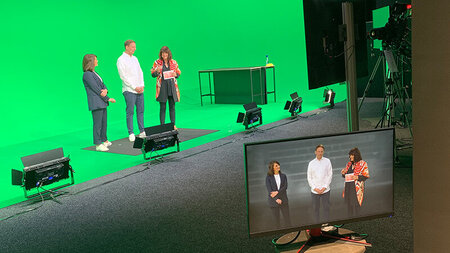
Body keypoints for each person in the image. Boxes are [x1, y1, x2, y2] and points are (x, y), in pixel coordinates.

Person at [82, 54, 116, 151]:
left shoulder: (94, 73)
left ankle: (104, 140)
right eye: (96, 60)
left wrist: (105, 90)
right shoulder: (87, 74)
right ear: (91, 62)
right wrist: (108, 98)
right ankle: (98, 144)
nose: (97, 61)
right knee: (97, 124)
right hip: (96, 102)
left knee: (104, 122)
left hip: (101, 102)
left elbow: (102, 85)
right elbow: (96, 89)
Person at [117, 40, 145, 141]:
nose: (134, 49)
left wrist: (142, 85)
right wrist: (134, 87)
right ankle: (131, 132)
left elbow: (140, 72)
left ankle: (142, 131)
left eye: (135, 47)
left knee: (141, 110)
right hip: (129, 90)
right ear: (127, 47)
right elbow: (123, 76)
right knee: (130, 111)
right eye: (132, 47)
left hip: (139, 90)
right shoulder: (121, 60)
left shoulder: (135, 59)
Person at [151, 46, 181, 128]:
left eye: (166, 53)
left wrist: (176, 74)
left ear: (168, 54)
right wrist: (157, 70)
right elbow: (153, 74)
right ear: (161, 54)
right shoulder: (157, 62)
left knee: (172, 106)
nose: (164, 55)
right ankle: (162, 126)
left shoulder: (173, 62)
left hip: (172, 86)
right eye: (162, 53)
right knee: (162, 107)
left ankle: (173, 124)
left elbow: (178, 72)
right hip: (162, 86)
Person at [307, 144, 333, 224]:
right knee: (315, 209)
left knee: (326, 208)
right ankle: (316, 225)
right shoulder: (311, 163)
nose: (320, 153)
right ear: (315, 152)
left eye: (321, 151)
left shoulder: (327, 161)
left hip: (325, 190)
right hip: (315, 191)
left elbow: (330, 174)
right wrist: (315, 188)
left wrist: (324, 187)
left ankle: (327, 224)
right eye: (318, 151)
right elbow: (309, 177)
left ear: (323, 152)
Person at [341, 147, 370, 216]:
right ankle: (350, 219)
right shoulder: (349, 164)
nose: (350, 157)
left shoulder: (363, 164)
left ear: (356, 155)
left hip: (356, 189)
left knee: (357, 206)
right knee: (349, 206)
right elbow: (346, 176)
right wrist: (343, 173)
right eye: (350, 155)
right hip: (348, 187)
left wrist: (357, 177)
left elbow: (366, 176)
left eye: (351, 155)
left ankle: (357, 220)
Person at [265, 161, 291, 228]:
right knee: (276, 221)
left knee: (287, 220)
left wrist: (277, 192)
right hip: (273, 202)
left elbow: (285, 187)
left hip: (284, 200)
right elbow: (270, 191)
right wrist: (276, 199)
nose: (278, 166)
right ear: (272, 168)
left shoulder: (283, 176)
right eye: (276, 166)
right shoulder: (268, 177)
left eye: (278, 165)